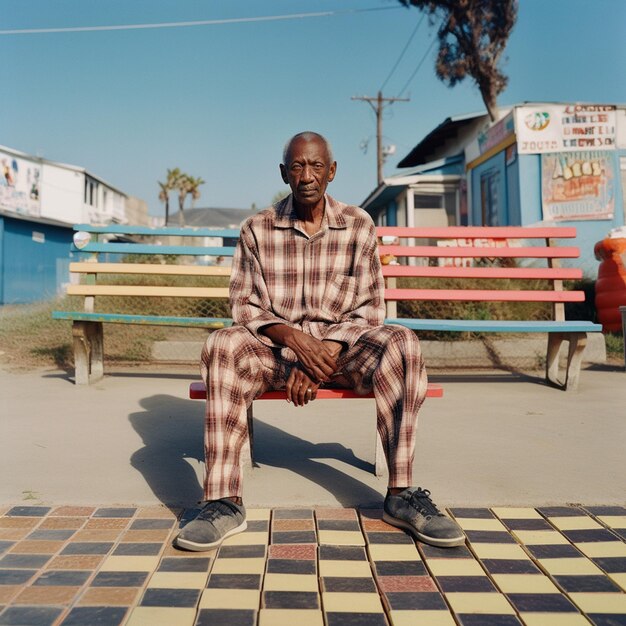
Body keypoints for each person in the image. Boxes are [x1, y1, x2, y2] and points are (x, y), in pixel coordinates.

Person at [174, 132, 465, 551]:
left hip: (342, 354)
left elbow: (369, 310)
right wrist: (294, 343)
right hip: (273, 354)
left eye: (315, 166)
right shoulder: (256, 229)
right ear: (284, 173)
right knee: (222, 344)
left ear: (331, 171)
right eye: (297, 166)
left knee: (401, 342)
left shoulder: (358, 224)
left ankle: (402, 495)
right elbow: (244, 306)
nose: (307, 176)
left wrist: (322, 354)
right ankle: (223, 501)